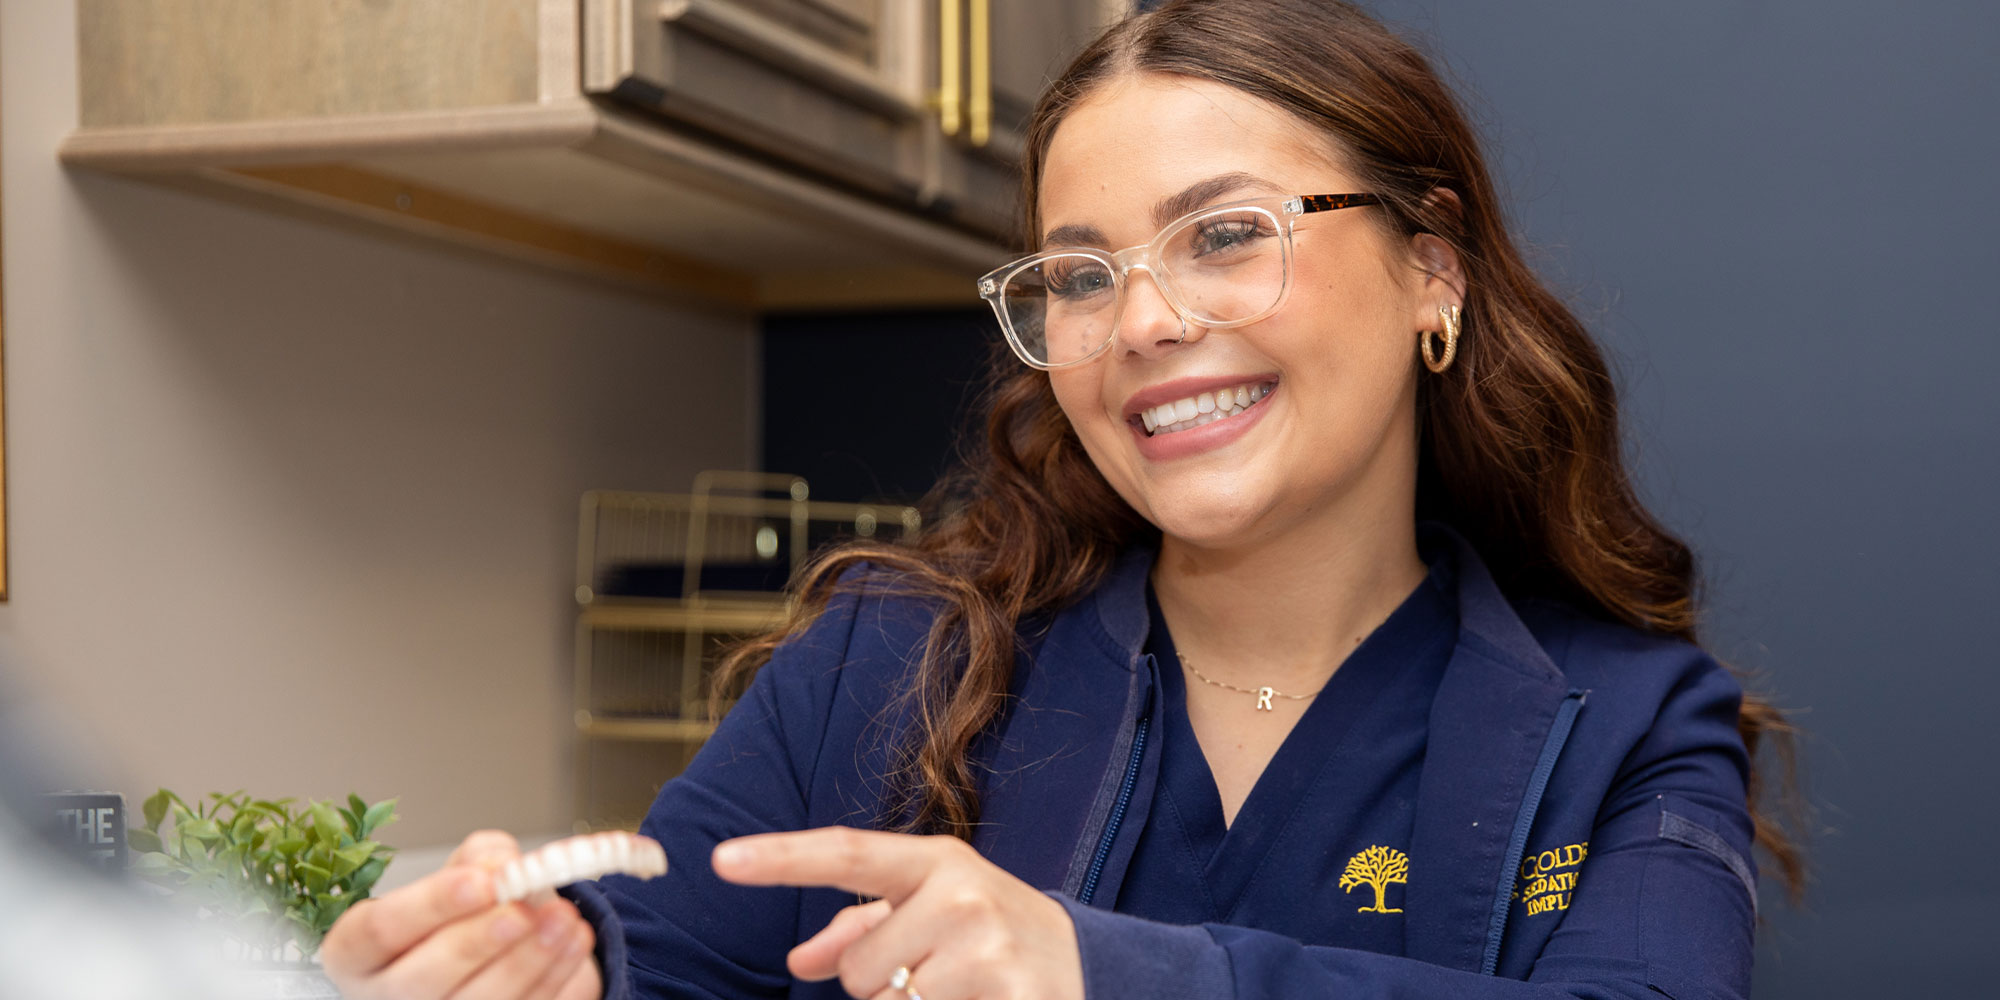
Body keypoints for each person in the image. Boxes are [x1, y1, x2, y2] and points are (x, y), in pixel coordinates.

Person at [321, 1, 1801, 997]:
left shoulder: (1630, 734)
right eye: (1081, 274)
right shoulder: (882, 668)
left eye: (1224, 234)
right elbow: (655, 949)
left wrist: (1102, 968)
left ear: (1436, 270)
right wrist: (543, 965)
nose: (1142, 321)